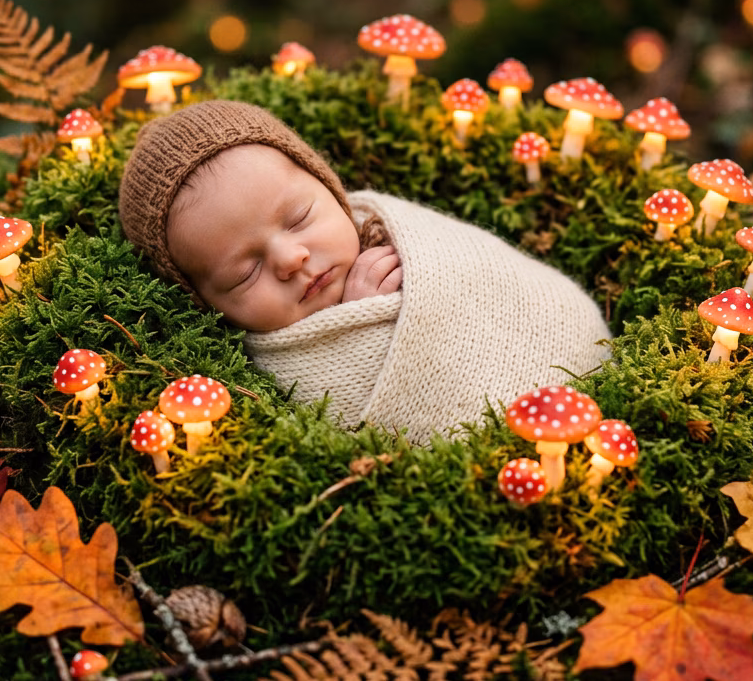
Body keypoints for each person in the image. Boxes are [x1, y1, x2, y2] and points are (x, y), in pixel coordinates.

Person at [118, 99, 611, 444]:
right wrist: (357, 321)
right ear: (204, 303)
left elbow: (489, 275)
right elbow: (341, 424)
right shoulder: (258, 373)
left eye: (299, 218)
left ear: (331, 189)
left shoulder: (385, 225)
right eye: (244, 274)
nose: (291, 259)